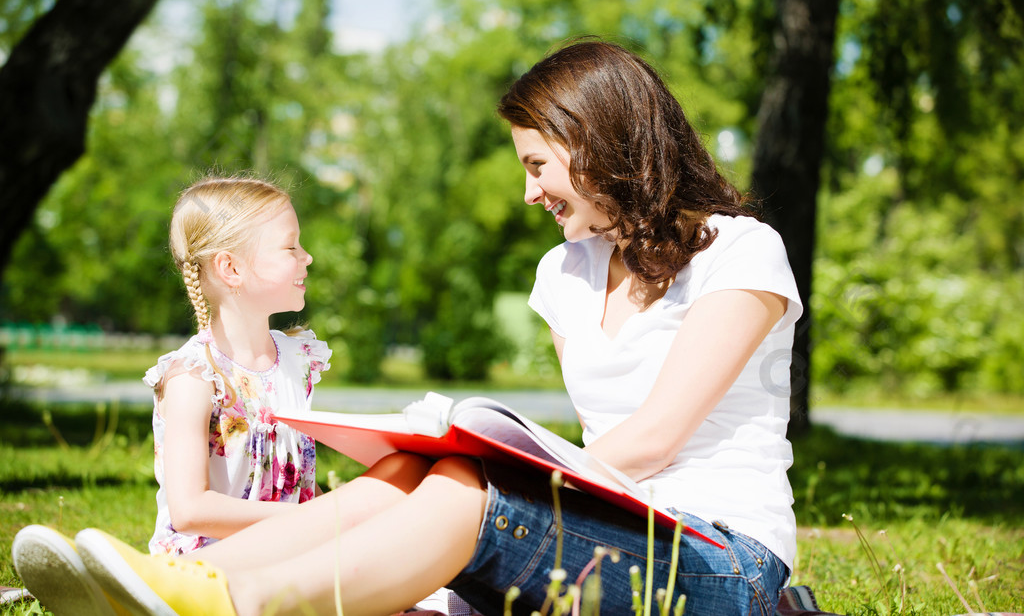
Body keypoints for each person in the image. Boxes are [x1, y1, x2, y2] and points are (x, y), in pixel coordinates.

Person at [18, 40, 803, 616]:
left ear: (597, 144)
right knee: (407, 470)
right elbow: (604, 444)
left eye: (536, 164)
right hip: (604, 523)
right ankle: (166, 579)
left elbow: (653, 439)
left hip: (718, 556)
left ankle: (236, 603)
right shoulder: (562, 275)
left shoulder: (740, 253)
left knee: (463, 484)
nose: (529, 192)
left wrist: (499, 464)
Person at [12, 176, 333, 614]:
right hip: (207, 565)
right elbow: (190, 509)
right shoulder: (195, 375)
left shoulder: (298, 359)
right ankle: (136, 590)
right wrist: (308, 520)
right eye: (290, 247)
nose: (306, 256)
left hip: (288, 554)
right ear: (231, 268)